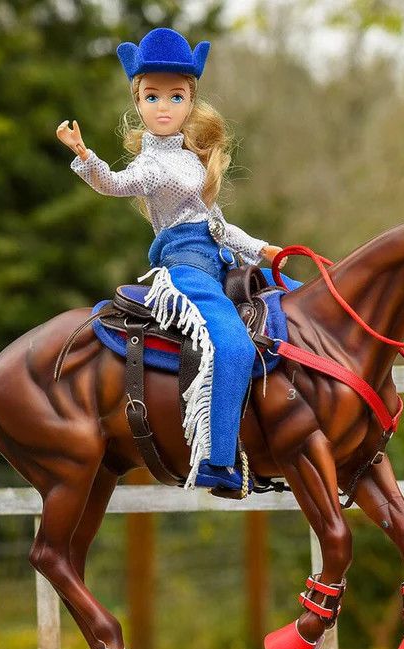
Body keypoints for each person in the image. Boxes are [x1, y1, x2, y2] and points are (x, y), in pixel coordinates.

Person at [56, 27, 285, 493]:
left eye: (175, 96)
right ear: (137, 102)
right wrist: (85, 155)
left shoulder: (191, 159)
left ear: (190, 101)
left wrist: (262, 250)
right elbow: (114, 184)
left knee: (294, 298)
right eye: (152, 96)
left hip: (222, 257)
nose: (164, 106)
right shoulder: (149, 164)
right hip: (187, 269)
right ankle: (218, 460)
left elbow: (216, 222)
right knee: (233, 345)